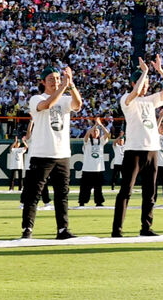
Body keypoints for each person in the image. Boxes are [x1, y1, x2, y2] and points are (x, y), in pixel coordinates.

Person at [113, 56, 163, 237]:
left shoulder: (151, 101)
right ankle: (117, 229)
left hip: (152, 150)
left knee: (150, 193)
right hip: (134, 150)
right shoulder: (127, 99)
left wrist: (160, 71)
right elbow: (135, 93)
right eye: (143, 83)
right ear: (134, 82)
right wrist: (145, 72)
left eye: (148, 83)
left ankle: (146, 228)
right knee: (126, 191)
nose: (146, 86)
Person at [20, 66, 83, 240]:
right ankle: (27, 229)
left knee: (62, 194)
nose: (55, 82)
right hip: (42, 153)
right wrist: (63, 86)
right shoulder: (36, 98)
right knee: (34, 194)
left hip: (62, 153)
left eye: (57, 78)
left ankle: (62, 229)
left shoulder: (64, 98)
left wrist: (70, 85)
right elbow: (47, 105)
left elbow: (78, 104)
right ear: (42, 82)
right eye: (51, 79)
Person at [78, 119, 108, 208]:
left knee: (98, 188)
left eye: (97, 131)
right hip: (87, 168)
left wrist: (101, 125)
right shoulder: (87, 142)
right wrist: (95, 125)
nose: (95, 132)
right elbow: (87, 134)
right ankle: (82, 202)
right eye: (94, 131)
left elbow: (107, 134)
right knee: (84, 188)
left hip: (98, 169)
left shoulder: (101, 141)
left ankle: (99, 202)